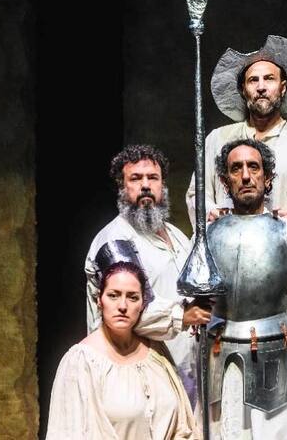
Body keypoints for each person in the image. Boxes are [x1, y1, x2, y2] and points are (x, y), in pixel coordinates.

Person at [205, 138, 287, 440]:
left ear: (267, 177)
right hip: (222, 358)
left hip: (277, 357)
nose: (245, 176)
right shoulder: (207, 235)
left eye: (253, 167)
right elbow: (196, 303)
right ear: (225, 180)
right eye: (236, 169)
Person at [85, 144, 211, 406]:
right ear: (122, 187)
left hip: (183, 370)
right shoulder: (114, 241)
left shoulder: (176, 235)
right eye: (135, 178)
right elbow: (126, 310)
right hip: (136, 375)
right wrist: (183, 315)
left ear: (163, 185)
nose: (145, 185)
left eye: (152, 178)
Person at [47, 250, 200, 439]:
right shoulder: (81, 362)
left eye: (132, 297)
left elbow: (183, 424)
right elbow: (66, 433)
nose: (122, 306)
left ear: (142, 304)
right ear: (99, 300)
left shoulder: (155, 351)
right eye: (113, 295)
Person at [186, 35, 287, 227]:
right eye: (253, 80)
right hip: (227, 239)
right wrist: (214, 214)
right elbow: (196, 194)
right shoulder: (218, 139)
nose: (261, 87)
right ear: (243, 90)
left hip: (284, 241)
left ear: (283, 87)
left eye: (269, 79)